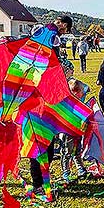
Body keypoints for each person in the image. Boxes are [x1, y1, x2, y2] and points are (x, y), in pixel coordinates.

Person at [30, 15, 73, 195]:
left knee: (46, 143)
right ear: (62, 24)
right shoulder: (50, 34)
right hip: (38, 100)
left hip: (45, 98)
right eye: (66, 29)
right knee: (40, 144)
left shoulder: (44, 33)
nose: (64, 33)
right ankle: (38, 184)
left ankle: (42, 182)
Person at [60, 78, 89, 183]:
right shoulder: (67, 103)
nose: (83, 92)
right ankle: (66, 173)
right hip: (67, 133)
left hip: (77, 132)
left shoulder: (79, 102)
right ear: (76, 92)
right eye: (82, 90)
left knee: (77, 151)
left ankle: (80, 169)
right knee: (67, 152)